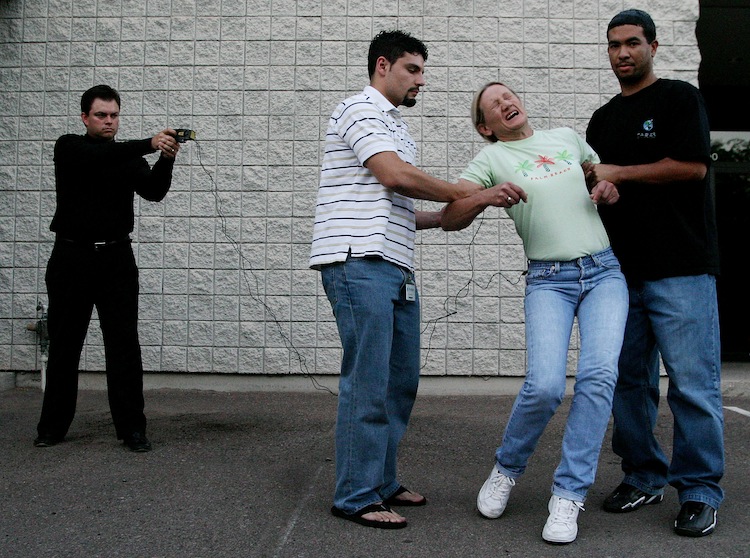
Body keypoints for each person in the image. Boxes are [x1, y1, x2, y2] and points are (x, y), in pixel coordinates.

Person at [441, 82, 627, 544]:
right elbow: (450, 215)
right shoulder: (489, 161)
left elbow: (597, 180)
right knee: (544, 385)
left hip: (603, 271)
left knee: (599, 377)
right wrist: (485, 196)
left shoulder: (566, 137)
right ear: (486, 126)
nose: (506, 103)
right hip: (548, 280)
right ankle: (506, 468)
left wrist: (606, 187)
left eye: (509, 96)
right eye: (494, 105)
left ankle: (568, 495)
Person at [310, 30, 480, 530]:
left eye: (422, 71)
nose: (421, 80)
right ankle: (355, 495)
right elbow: (394, 176)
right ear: (383, 66)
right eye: (413, 69)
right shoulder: (359, 110)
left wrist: (460, 208)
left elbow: (402, 205)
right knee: (368, 380)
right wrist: (458, 191)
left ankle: (381, 480)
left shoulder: (394, 125)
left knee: (399, 380)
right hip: (357, 262)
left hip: (393, 263)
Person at [584, 9, 724, 537]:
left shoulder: (679, 99)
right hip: (619, 274)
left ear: (654, 47)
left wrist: (621, 172)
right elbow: (600, 186)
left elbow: (692, 166)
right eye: (614, 45)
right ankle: (643, 475)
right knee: (627, 381)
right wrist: (603, 187)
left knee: (692, 384)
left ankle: (700, 490)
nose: (623, 53)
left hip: (682, 268)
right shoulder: (602, 120)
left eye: (632, 43)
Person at [34, 84, 180, 453]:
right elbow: (93, 159)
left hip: (116, 259)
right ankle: (52, 427)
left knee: (124, 347)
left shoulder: (127, 158)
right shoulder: (69, 147)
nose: (108, 121)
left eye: (114, 115)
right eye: (101, 115)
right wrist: (148, 143)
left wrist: (166, 158)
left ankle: (132, 429)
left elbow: (153, 192)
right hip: (71, 258)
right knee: (66, 345)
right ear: (85, 117)